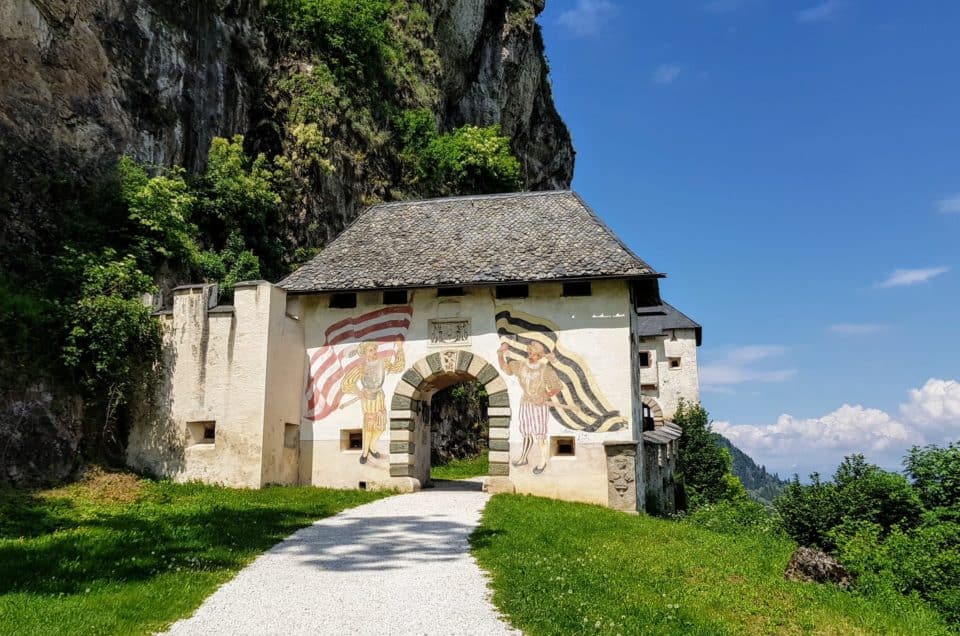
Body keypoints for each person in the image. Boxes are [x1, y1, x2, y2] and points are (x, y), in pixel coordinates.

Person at [497, 340, 563, 474]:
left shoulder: (546, 370)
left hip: (539, 406)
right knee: (526, 432)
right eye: (529, 352)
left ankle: (543, 461)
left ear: (539, 355)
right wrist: (500, 355)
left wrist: (545, 396)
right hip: (525, 403)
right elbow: (507, 369)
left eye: (533, 353)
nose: (530, 355)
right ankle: (523, 458)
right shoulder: (521, 365)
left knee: (540, 434)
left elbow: (557, 386)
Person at [340, 339, 404, 463]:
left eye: (375, 349)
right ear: (365, 353)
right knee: (369, 425)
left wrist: (400, 349)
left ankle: (372, 446)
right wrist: (359, 392)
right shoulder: (361, 368)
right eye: (370, 350)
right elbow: (346, 383)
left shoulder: (383, 362)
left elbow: (397, 367)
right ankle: (365, 452)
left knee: (380, 425)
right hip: (368, 399)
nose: (374, 352)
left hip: (379, 396)